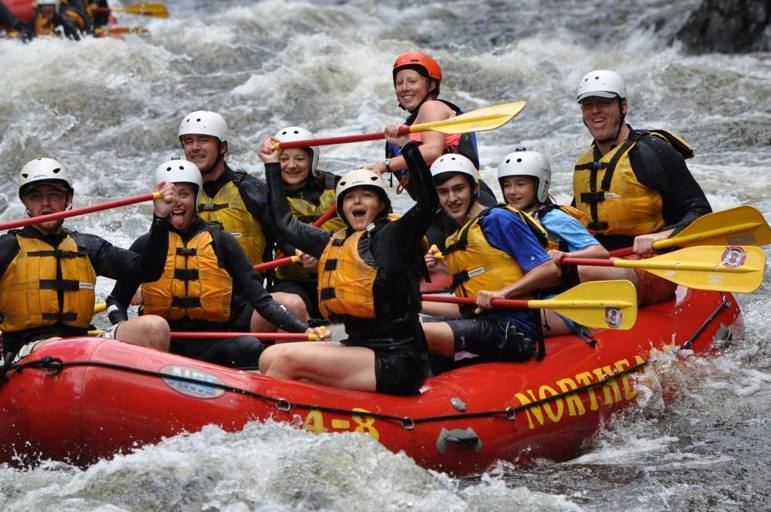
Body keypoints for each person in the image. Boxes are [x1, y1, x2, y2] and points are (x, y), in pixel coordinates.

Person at [256, 137, 437, 395]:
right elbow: (285, 222)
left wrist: (408, 148)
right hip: (358, 346)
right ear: (341, 208)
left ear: (381, 205)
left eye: (366, 196)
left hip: (397, 358)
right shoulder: (335, 241)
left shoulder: (394, 236)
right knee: (269, 357)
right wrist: (272, 166)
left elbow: (428, 203)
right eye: (350, 197)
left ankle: (276, 424)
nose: (357, 202)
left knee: (286, 361)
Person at [106, 160, 328, 368]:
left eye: (184, 194)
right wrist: (121, 326)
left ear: (197, 198)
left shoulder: (222, 241)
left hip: (214, 341)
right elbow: (116, 299)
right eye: (169, 196)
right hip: (163, 341)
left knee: (250, 347)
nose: (176, 202)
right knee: (154, 326)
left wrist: (305, 330)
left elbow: (262, 301)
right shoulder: (146, 244)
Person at [0, 157, 176, 365]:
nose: (46, 204)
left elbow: (148, 271)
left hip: (80, 346)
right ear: (25, 202)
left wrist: (161, 218)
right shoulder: (7, 247)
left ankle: (147, 394)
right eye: (36, 196)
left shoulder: (87, 247)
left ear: (68, 199)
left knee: (155, 328)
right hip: (25, 351)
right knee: (58, 347)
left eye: (54, 195)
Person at [572, 70, 712, 304]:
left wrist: (661, 236)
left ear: (623, 106)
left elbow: (701, 213)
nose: (595, 111)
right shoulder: (585, 162)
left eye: (604, 103)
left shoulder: (652, 152)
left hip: (654, 264)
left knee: (585, 271)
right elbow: (577, 221)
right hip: (604, 260)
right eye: (588, 105)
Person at [420, 153, 561, 368]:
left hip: (514, 329)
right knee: (403, 328)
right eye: (443, 192)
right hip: (477, 321)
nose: (452, 198)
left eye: (458, 189)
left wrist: (502, 293)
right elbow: (473, 290)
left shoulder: (498, 219)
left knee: (416, 332)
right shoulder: (455, 238)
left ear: (474, 188)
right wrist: (413, 300)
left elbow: (548, 268)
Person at [177, 110, 306, 328]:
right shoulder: (176, 194)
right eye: (188, 141)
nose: (195, 147)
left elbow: (283, 236)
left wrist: (300, 250)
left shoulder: (250, 190)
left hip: (246, 300)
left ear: (223, 147)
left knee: (292, 304)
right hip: (190, 300)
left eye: (203, 140)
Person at [366, 51, 497, 249]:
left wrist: (384, 166)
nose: (404, 88)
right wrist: (404, 143)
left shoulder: (432, 107)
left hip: (467, 198)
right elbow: (420, 165)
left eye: (412, 81)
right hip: (438, 209)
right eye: (399, 83)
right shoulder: (412, 126)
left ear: (431, 85)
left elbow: (433, 151)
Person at [497, 149, 608, 336]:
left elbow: (600, 252)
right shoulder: (507, 219)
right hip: (527, 295)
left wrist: (566, 255)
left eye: (520, 184)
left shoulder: (555, 218)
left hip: (561, 298)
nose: (512, 192)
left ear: (539, 185)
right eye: (507, 185)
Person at [267, 126, 345, 323]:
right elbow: (275, 234)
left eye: (299, 159)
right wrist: (295, 250)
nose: (291, 165)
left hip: (338, 276)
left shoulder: (338, 187)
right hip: (293, 281)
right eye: (284, 159)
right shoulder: (269, 194)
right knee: (291, 306)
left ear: (312, 160)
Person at [0, 0, 88, 40]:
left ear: (55, 8)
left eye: (50, 7)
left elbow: (77, 37)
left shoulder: (63, 20)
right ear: (39, 9)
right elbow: (25, 31)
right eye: (45, 7)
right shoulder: (36, 20)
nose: (48, 9)